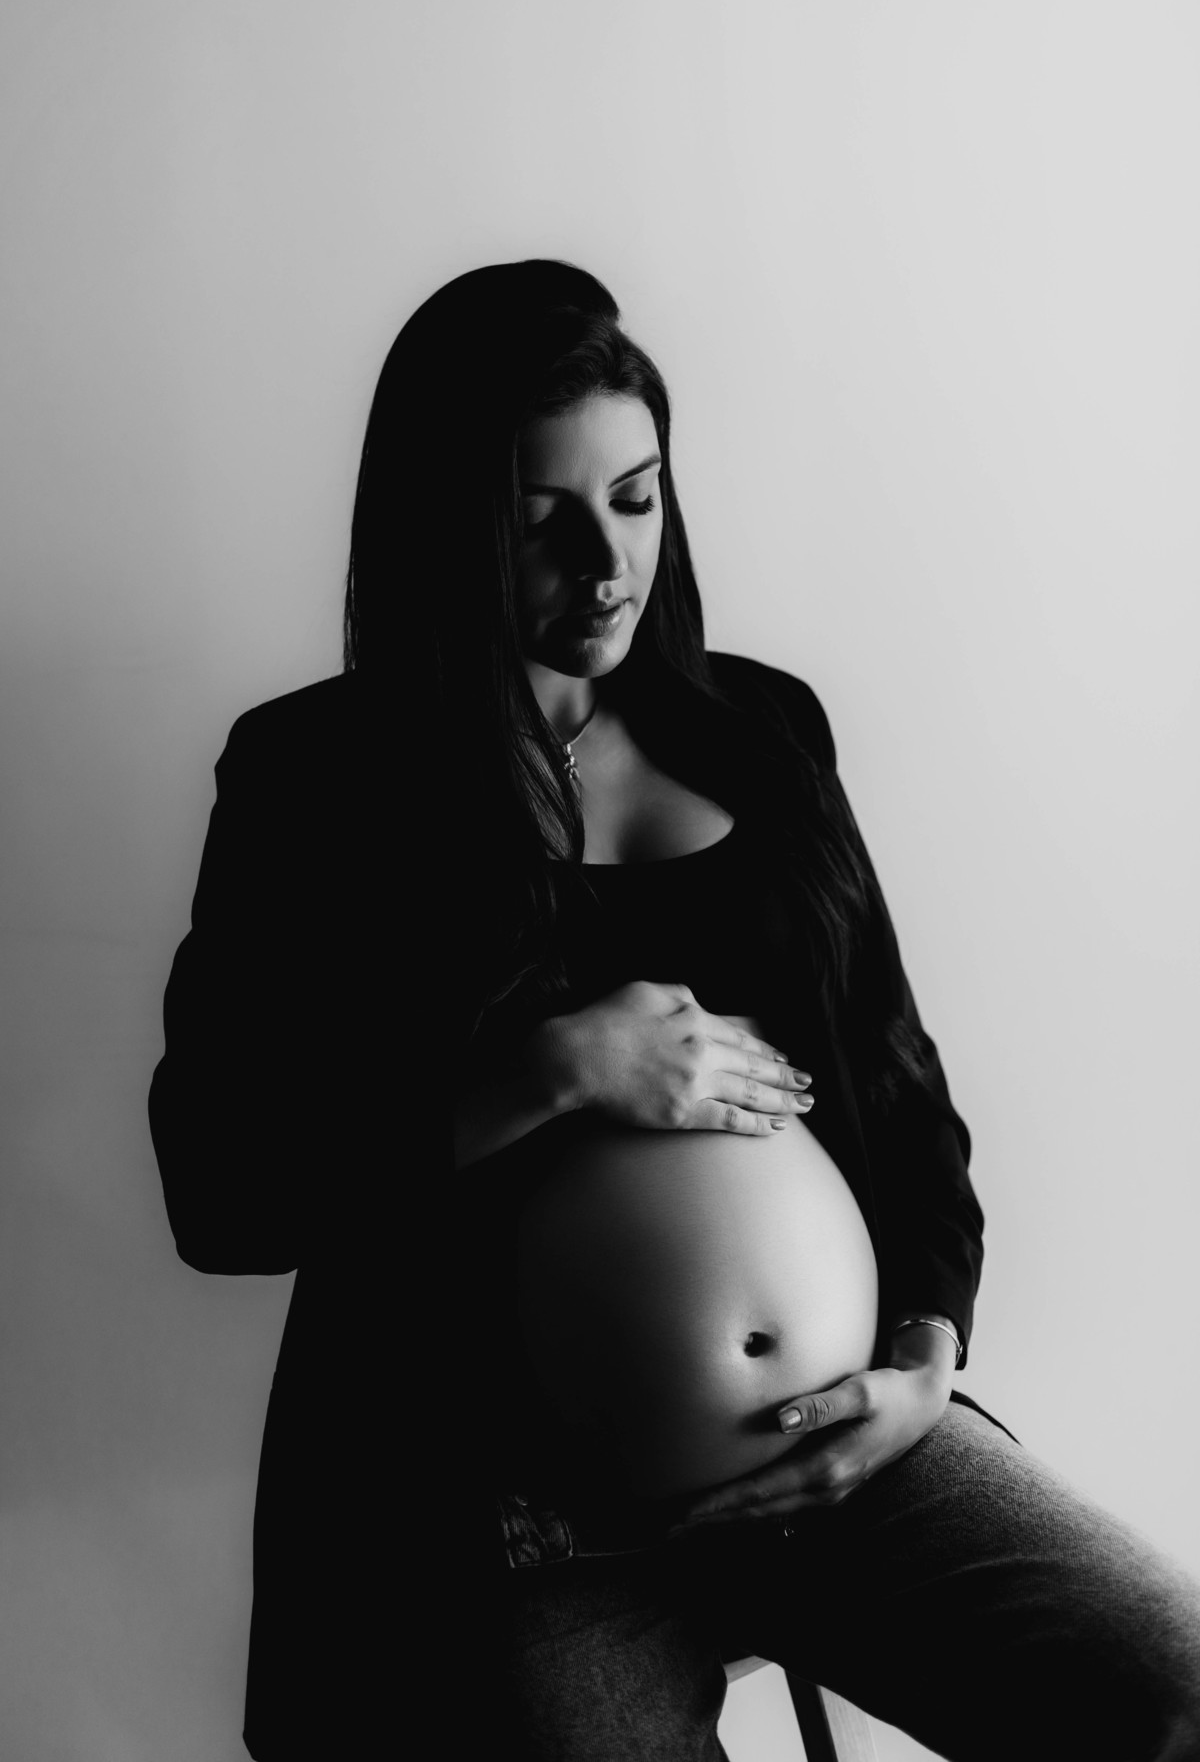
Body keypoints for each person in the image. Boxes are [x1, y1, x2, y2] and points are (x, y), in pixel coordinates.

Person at [149, 260, 1200, 1760]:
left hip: (841, 1447)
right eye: (540, 520)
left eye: (637, 499)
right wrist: (553, 1070)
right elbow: (222, 1187)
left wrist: (926, 1354)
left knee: (1170, 1690)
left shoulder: (763, 729)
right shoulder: (314, 781)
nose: (607, 562)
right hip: (522, 1519)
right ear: (442, 527)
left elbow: (898, 1090)